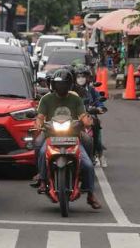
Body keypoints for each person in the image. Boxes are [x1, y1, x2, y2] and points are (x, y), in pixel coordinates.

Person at [34, 68, 101, 209]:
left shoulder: (75, 98)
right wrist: (39, 125)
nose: (61, 87)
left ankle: (90, 194)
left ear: (69, 85)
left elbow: (83, 115)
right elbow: (40, 117)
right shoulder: (46, 99)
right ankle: (41, 177)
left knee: (88, 163)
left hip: (73, 135)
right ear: (53, 85)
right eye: (58, 84)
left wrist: (87, 120)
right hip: (50, 136)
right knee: (39, 147)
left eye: (64, 84)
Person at [73, 64, 107, 167]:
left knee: (96, 124)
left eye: (83, 76)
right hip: (74, 117)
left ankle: (99, 153)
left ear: (87, 77)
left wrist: (100, 108)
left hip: (88, 116)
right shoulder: (71, 90)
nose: (81, 79)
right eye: (78, 76)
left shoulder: (92, 90)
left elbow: (99, 102)